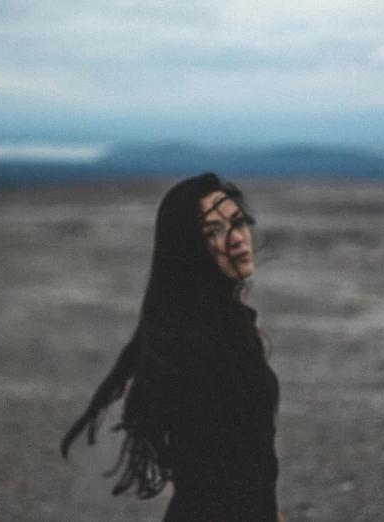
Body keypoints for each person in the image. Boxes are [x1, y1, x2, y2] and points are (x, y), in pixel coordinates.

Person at [60, 173, 283, 521]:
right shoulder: (190, 350)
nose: (237, 239)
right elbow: (212, 487)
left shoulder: (232, 325)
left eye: (237, 222)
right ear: (188, 249)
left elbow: (256, 464)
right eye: (212, 232)